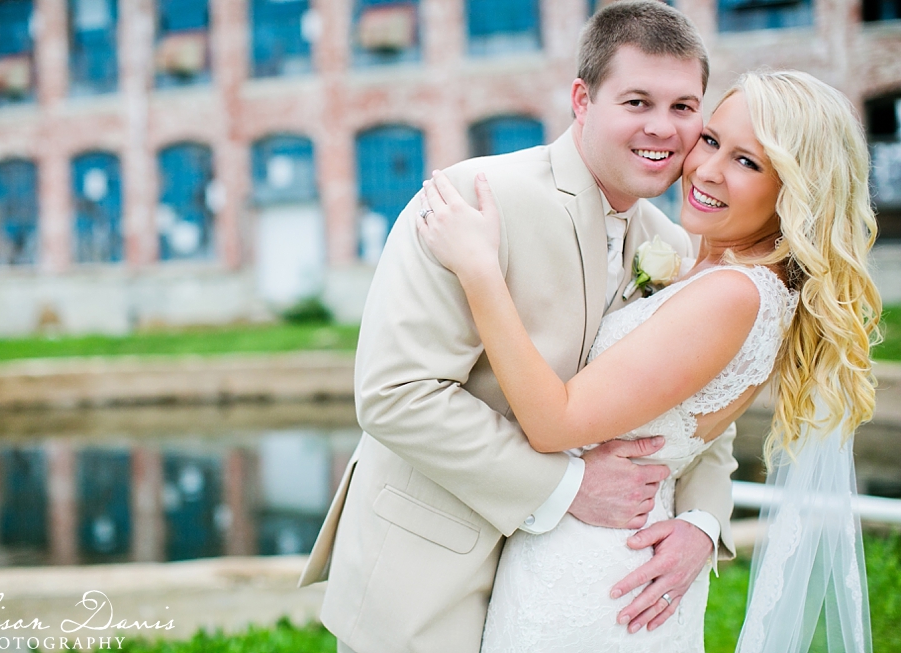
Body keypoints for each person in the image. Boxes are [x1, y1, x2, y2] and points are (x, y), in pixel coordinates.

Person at [299, 3, 738, 652]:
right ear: (581, 100)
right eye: (638, 101)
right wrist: (569, 486)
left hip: (578, 595)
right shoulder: (469, 200)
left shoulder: (671, 245)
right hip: (429, 582)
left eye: (683, 107)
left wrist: (702, 521)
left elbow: (703, 404)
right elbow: (397, 393)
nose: (663, 129)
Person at [417, 70, 879, 651]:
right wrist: (702, 523)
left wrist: (479, 270)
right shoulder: (726, 276)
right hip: (616, 555)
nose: (707, 170)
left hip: (598, 576)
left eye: (748, 162)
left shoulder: (734, 295)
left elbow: (553, 422)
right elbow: (697, 435)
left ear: (796, 189)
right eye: (710, 141)